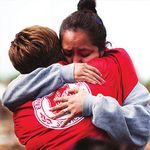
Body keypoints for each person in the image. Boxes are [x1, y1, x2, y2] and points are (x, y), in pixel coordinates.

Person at [2, 0, 150, 149]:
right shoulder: (58, 70)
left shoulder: (117, 65)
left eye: (85, 53)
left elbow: (142, 126)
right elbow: (9, 95)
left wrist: (91, 104)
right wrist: (64, 72)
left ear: (102, 48)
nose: (75, 60)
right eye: (68, 53)